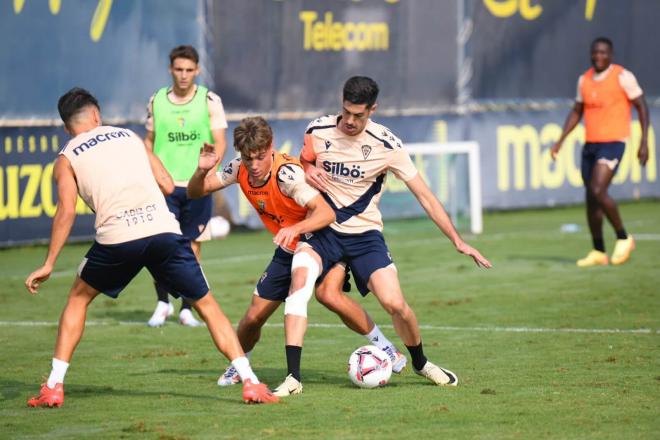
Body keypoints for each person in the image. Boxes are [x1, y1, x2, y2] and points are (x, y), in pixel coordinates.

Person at [24, 88, 277, 407]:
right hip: (163, 230)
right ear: (97, 116)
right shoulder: (130, 137)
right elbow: (169, 184)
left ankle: (54, 386)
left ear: (66, 127)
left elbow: (66, 211)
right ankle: (251, 382)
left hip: (117, 237)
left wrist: (49, 263)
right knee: (207, 305)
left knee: (77, 298)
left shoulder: (66, 158)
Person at [294, 76, 492, 387]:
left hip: (365, 236)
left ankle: (421, 362)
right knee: (324, 294)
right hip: (325, 231)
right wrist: (308, 169)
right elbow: (302, 161)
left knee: (395, 304)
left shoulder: (387, 145)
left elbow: (425, 195)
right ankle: (385, 349)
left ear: (373, 109)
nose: (349, 121)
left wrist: (458, 241)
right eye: (345, 112)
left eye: (358, 115)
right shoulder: (317, 130)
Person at [187, 116, 407, 397]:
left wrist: (296, 228)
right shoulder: (239, 167)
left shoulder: (287, 175)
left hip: (322, 239)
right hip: (288, 245)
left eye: (260, 157)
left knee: (330, 295)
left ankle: (385, 346)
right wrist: (201, 170)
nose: (254, 165)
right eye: (248, 157)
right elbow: (196, 192)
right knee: (253, 317)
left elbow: (325, 213)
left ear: (271, 148)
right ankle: (239, 365)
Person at [144, 45, 228, 326]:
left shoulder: (209, 100)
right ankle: (162, 303)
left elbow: (220, 142)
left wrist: (207, 177)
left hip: (196, 186)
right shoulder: (157, 100)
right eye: (178, 69)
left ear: (197, 71)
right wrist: (153, 173)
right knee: (160, 246)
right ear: (171, 69)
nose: (183, 75)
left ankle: (186, 309)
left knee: (192, 248)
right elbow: (149, 141)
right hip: (165, 186)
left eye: (189, 70)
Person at [551, 37, 649, 267]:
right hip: (590, 144)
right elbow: (576, 112)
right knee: (591, 199)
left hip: (613, 142)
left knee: (598, 189)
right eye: (595, 52)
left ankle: (624, 237)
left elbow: (642, 105)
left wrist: (644, 141)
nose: (599, 56)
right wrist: (560, 140)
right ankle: (598, 251)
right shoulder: (584, 80)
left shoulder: (623, 76)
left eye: (603, 52)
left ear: (611, 55)